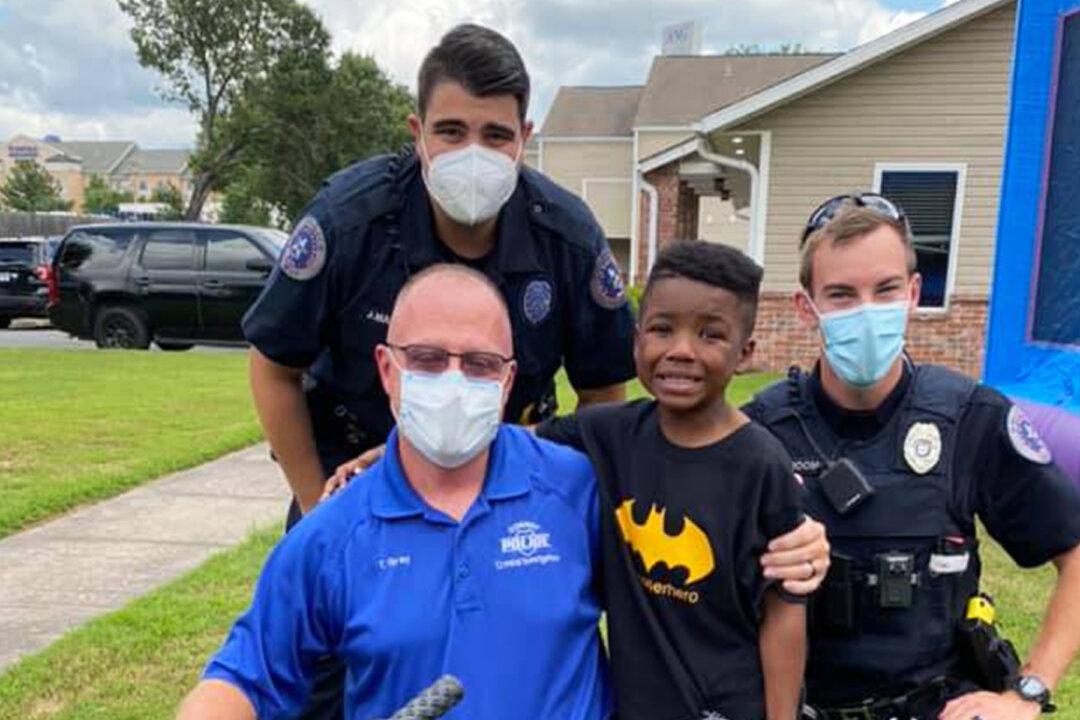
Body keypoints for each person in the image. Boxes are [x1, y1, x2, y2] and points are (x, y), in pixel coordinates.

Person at [243, 23, 635, 529]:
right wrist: (319, 507)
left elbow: (603, 394)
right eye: (451, 131)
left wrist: (554, 498)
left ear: (525, 139)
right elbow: (274, 364)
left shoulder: (568, 238)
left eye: (496, 135)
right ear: (417, 132)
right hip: (353, 482)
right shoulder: (347, 221)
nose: (473, 153)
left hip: (506, 491)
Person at [178, 265, 611, 720]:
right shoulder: (334, 534)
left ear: (506, 380)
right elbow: (242, 680)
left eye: (479, 364)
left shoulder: (577, 490)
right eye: (428, 359)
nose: (453, 382)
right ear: (387, 369)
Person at [743, 195, 1080, 720]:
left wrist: (1026, 694)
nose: (866, 312)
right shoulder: (760, 430)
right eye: (841, 295)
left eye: (885, 290)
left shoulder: (971, 419)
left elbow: (1076, 553)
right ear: (805, 307)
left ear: (914, 293)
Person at [537, 241, 808, 720]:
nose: (681, 351)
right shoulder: (608, 433)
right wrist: (402, 450)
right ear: (637, 340)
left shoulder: (761, 465)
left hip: (726, 707)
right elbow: (514, 444)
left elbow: (784, 610)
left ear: (744, 353)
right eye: (662, 329)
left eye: (709, 335)